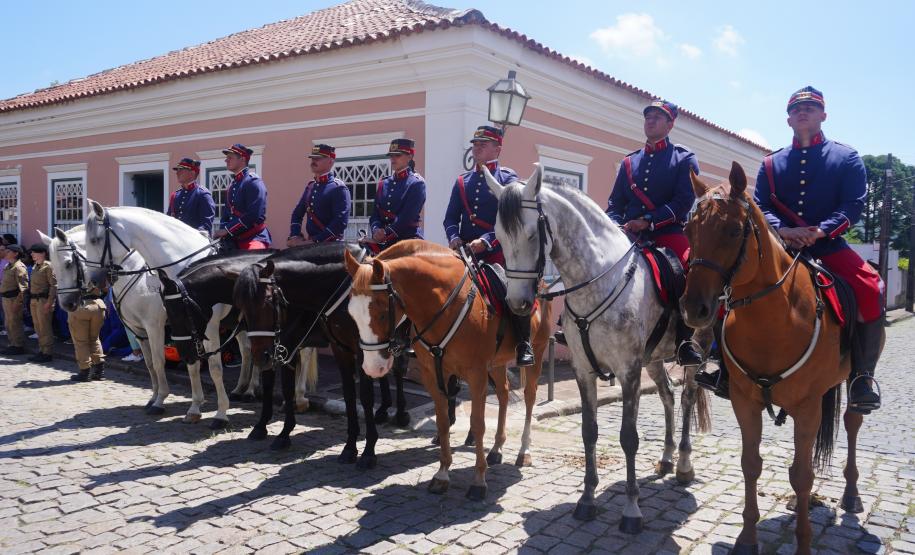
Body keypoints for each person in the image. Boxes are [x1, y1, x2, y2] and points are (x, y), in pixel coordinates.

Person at [696, 87, 883, 412]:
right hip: (780, 246)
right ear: (787, 119)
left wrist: (821, 230)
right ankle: (725, 370)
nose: (803, 112)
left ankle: (861, 377)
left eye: (810, 108)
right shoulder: (771, 163)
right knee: (730, 288)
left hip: (828, 246)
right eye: (797, 109)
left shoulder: (846, 157)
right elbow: (762, 206)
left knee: (871, 286)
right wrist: (783, 230)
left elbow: (854, 204)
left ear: (823, 115)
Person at [605, 99, 703, 366]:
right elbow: (615, 203)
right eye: (648, 116)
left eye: (658, 117)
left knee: (687, 271)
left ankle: (684, 341)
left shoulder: (683, 158)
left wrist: (649, 220)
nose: (651, 120)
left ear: (670, 124)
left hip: (666, 232)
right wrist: (614, 224)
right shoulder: (629, 163)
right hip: (628, 234)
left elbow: (683, 201)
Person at [443, 125, 533, 367]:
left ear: (498, 148)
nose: (477, 147)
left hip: (496, 253)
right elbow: (450, 218)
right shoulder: (462, 181)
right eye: (475, 143)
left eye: (484, 143)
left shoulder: (508, 179)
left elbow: (510, 220)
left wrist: (485, 241)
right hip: (463, 253)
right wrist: (453, 237)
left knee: (511, 292)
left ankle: (524, 343)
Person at [365, 138, 425, 250]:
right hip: (383, 241)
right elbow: (375, 214)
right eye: (391, 156)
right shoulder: (384, 183)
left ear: (410, 156)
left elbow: (406, 218)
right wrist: (376, 230)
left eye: (397, 155)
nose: (393, 159)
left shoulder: (416, 183)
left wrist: (385, 233)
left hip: (407, 240)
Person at [288, 144, 351, 245]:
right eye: (312, 158)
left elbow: (340, 222)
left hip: (331, 245)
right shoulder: (310, 187)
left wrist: (315, 240)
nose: (313, 161)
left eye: (318, 158)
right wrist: (295, 236)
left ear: (330, 162)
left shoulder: (338, 188)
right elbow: (297, 214)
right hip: (310, 244)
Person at [213, 143, 272, 249]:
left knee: (253, 262)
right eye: (227, 158)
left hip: (253, 237)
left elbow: (254, 215)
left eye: (230, 158)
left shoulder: (253, 182)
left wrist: (227, 230)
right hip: (233, 239)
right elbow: (226, 214)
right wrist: (223, 230)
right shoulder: (232, 185)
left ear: (243, 159)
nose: (226, 160)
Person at [68, 283, 108, 382]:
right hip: (98, 305)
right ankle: (99, 371)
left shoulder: (75, 269)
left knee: (81, 342)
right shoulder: (96, 269)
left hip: (81, 305)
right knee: (94, 338)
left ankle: (85, 371)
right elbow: (105, 287)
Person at [167, 157, 216, 234]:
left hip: (194, 241)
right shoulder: (175, 195)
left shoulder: (202, 194)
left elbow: (206, 224)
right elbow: (169, 220)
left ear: (192, 173)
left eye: (181, 170)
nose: (177, 173)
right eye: (177, 170)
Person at [27, 244, 57, 363]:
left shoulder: (48, 266)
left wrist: (50, 302)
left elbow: (53, 286)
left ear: (43, 253)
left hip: (43, 300)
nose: (32, 254)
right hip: (34, 300)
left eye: (35, 252)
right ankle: (42, 350)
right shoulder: (35, 266)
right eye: (32, 252)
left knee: (45, 327)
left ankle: (47, 352)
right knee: (38, 327)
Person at [0, 245, 28, 355]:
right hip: (6, 298)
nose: (5, 253)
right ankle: (12, 344)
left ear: (15, 253)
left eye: (8, 251)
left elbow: (23, 288)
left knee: (15, 322)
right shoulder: (8, 265)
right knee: (8, 323)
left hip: (13, 298)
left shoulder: (19, 267)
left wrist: (18, 302)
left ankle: (18, 345)